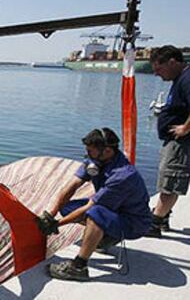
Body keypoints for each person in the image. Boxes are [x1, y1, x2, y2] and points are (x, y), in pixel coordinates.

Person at [36, 128, 151, 281]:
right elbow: (72, 185)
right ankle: (104, 238)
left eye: (91, 151)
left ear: (108, 151)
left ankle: (78, 267)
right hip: (115, 210)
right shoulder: (96, 161)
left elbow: (90, 207)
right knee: (67, 207)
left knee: (95, 213)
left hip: (134, 222)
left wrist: (56, 225)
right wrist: (51, 214)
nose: (88, 155)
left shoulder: (123, 175)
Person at [146, 45, 190, 237]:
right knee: (168, 180)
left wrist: (185, 128)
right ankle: (162, 217)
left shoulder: (187, 79)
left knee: (170, 182)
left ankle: (154, 224)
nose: (156, 75)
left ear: (172, 62)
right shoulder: (181, 78)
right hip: (174, 142)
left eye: (158, 69)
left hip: (180, 143)